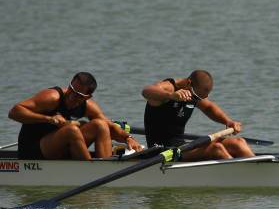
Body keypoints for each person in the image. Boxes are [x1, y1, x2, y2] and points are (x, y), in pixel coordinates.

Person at [8, 72, 143, 160]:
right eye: (71, 90)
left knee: (100, 125)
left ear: (87, 97)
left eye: (78, 95)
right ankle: (90, 172)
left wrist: (128, 138)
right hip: (33, 152)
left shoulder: (88, 106)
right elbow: (14, 112)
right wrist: (50, 119)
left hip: (58, 149)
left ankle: (105, 167)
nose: (72, 96)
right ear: (70, 85)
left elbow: (110, 126)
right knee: (71, 131)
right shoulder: (52, 97)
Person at [141, 70, 254, 160]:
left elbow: (209, 107)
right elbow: (146, 91)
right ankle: (239, 176)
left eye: (200, 98)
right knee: (216, 148)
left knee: (239, 142)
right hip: (162, 151)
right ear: (189, 83)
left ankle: (258, 170)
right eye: (196, 97)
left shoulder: (194, 93)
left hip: (182, 147)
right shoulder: (169, 88)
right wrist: (170, 96)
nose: (197, 100)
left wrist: (228, 121)